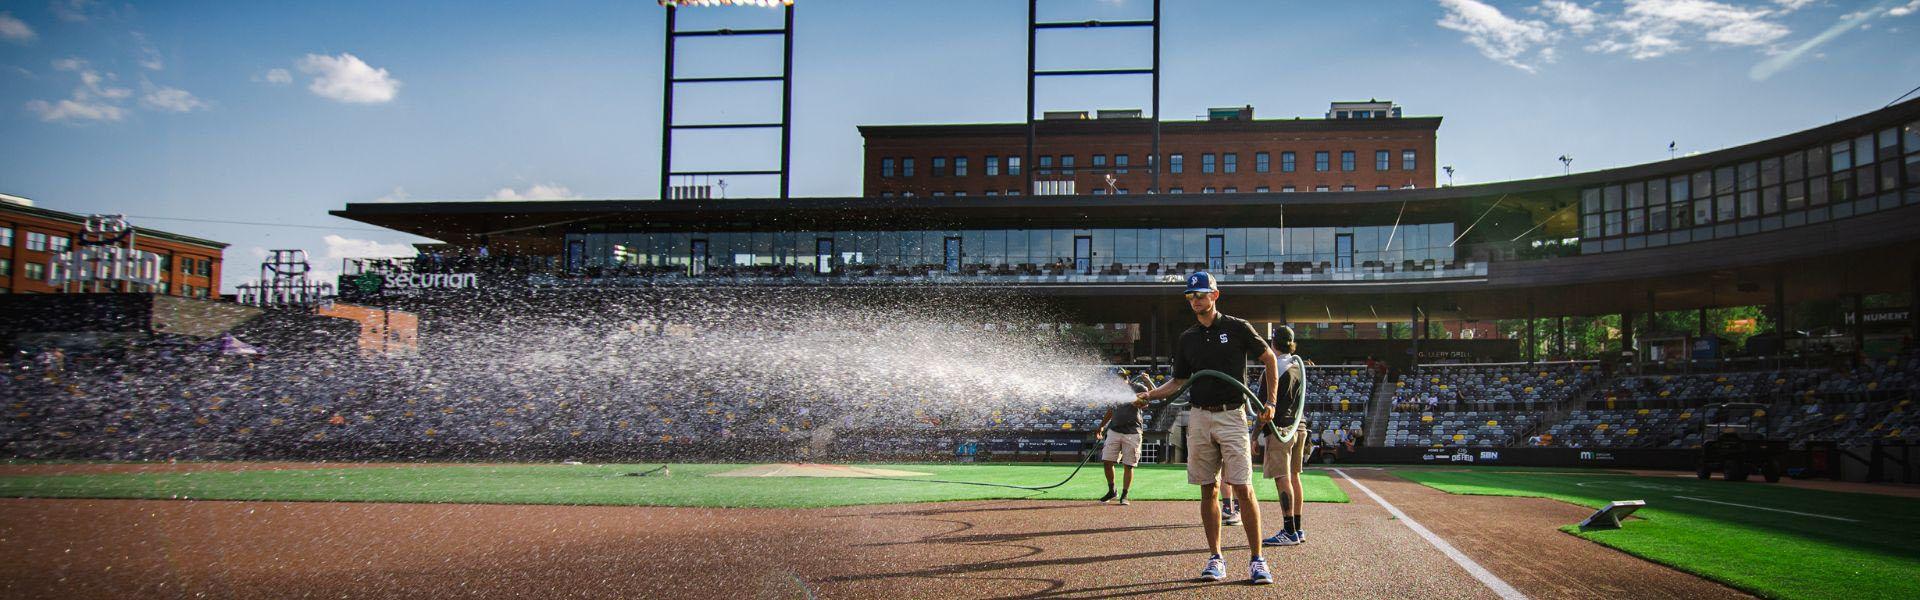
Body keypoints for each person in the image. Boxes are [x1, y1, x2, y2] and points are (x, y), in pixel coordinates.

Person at [1135, 271, 1277, 585]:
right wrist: (1150, 394)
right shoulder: (1187, 338)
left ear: (1215, 295)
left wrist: (1271, 402)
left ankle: (1257, 560)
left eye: (1200, 294)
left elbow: (1269, 358)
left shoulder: (1238, 328)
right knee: (1208, 489)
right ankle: (1216, 557)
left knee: (1243, 488)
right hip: (1199, 416)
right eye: (1191, 296)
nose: (1195, 300)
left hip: (1231, 415)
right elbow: (1179, 381)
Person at [1260, 325, 1310, 548]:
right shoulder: (1297, 364)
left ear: (1272, 344)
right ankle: (1297, 528)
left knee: (1283, 477)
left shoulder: (1274, 367)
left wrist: (1253, 436)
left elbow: (1263, 407)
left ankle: (1289, 530)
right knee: (1294, 476)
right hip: (1299, 426)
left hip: (1281, 429)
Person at [1094, 391, 1149, 505]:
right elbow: (1110, 411)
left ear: (1127, 379)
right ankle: (1112, 491)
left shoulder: (1137, 388)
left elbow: (1146, 403)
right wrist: (1102, 425)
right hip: (1114, 430)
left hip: (1132, 432)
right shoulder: (1115, 393)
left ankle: (1124, 495)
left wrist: (1140, 399)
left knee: (1128, 465)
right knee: (1107, 461)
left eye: (1123, 377)